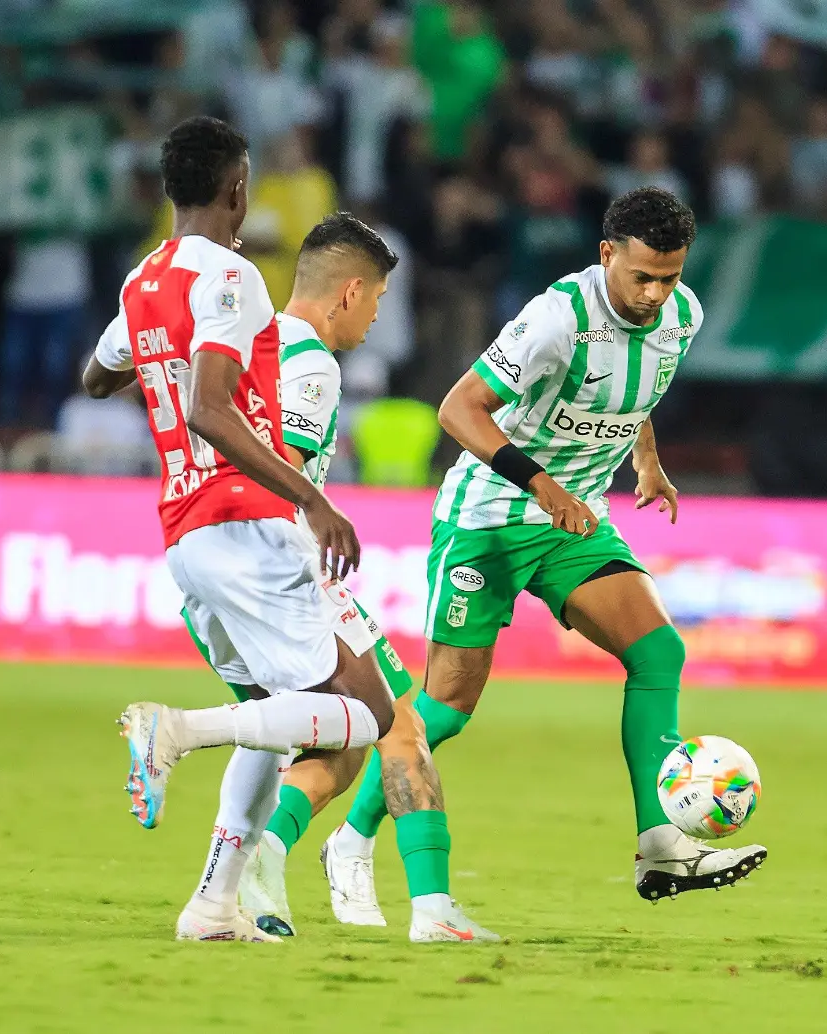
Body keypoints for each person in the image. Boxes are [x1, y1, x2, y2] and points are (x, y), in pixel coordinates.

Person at [328, 187, 768, 914]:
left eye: (671, 277)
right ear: (606, 255)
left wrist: (645, 460)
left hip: (577, 520)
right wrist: (541, 488)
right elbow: (457, 408)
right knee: (447, 704)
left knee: (659, 652)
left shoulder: (681, 316)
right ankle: (349, 839)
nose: (657, 294)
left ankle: (661, 844)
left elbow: (641, 389)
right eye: (643, 277)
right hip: (491, 516)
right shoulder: (556, 318)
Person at [82, 117, 424, 944]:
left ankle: (212, 904)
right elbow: (210, 407)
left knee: (282, 723)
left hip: (185, 537)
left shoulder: (143, 280)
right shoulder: (233, 276)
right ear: (239, 188)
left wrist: (157, 361)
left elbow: (97, 377)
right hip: (248, 522)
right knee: (365, 716)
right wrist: (311, 498)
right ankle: (178, 729)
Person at [181, 212, 497, 944]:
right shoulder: (313, 363)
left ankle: (224, 891)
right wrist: (316, 511)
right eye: (380, 300)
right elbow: (284, 467)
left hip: (206, 565)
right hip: (286, 578)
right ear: (350, 292)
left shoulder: (248, 346)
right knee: (402, 730)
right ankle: (433, 912)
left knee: (333, 744)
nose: (378, 316)